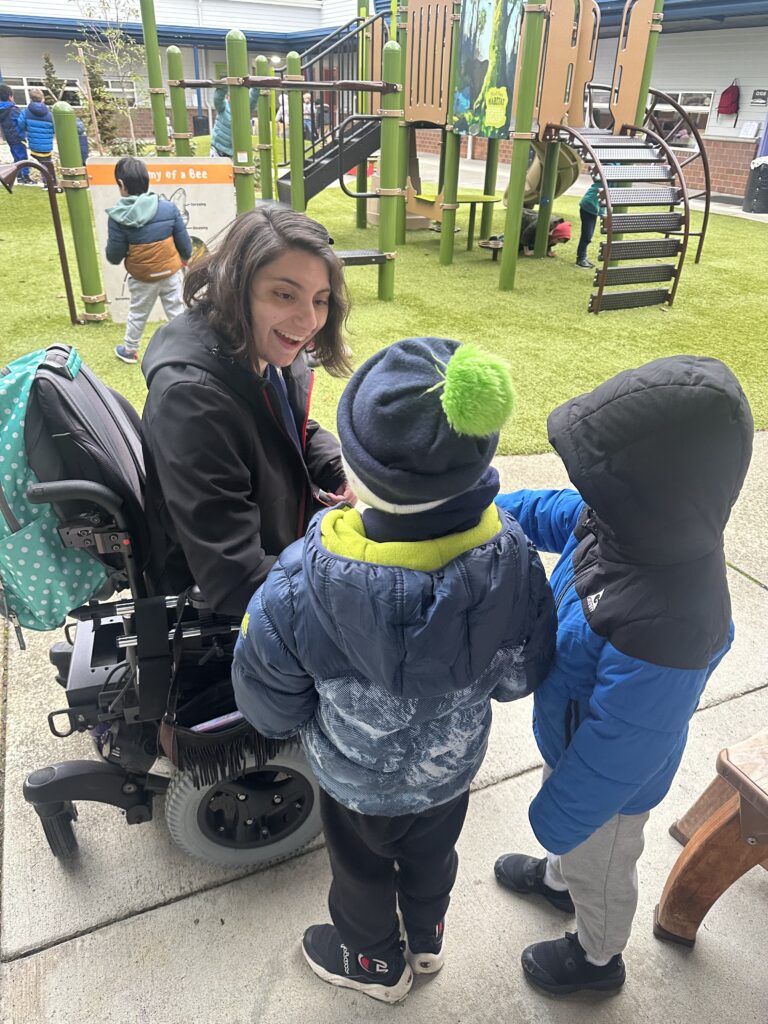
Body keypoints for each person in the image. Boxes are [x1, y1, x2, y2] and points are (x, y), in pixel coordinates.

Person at [232, 337, 557, 1004]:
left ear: (352, 470)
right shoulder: (516, 559)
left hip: (355, 782)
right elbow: (521, 676)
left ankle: (373, 963)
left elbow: (268, 704)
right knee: (435, 856)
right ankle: (428, 938)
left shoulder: (299, 582)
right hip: (449, 770)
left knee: (360, 874)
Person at [492, 355, 753, 997]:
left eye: (606, 486)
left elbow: (624, 745)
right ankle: (559, 884)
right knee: (572, 841)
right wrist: (478, 512)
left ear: (655, 489)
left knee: (600, 866)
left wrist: (560, 816)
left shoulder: (675, 619)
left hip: (610, 788)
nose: (591, 498)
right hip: (574, 740)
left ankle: (597, 957)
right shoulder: (625, 520)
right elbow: (552, 512)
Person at [141, 205, 354, 617]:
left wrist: (338, 468)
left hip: (288, 551)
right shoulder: (194, 405)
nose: (308, 320)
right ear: (236, 286)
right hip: (240, 618)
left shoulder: (262, 345)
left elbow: (291, 426)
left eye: (321, 300)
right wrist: (362, 581)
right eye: (284, 294)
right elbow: (236, 582)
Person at [105, 156, 192, 364]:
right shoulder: (168, 208)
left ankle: (129, 350)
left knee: (137, 312)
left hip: (142, 277)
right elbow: (185, 245)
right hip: (170, 272)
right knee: (177, 310)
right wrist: (183, 259)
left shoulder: (118, 217)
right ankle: (188, 347)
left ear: (121, 185)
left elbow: (114, 255)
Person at [16, 87, 55, 183]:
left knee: (43, 163)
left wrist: (28, 129)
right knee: (46, 162)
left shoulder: (26, 112)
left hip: (34, 144)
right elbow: (54, 127)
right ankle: (50, 182)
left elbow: (21, 123)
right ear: (43, 99)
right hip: (47, 145)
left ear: (30, 98)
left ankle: (48, 182)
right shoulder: (49, 114)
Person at [210, 86, 258, 158]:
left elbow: (253, 97)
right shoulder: (223, 107)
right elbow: (218, 99)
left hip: (235, 152)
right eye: (231, 96)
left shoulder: (244, 108)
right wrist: (224, 86)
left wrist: (256, 86)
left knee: (240, 166)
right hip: (218, 148)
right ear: (228, 97)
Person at [0, 83, 31, 183]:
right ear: (10, 97)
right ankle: (25, 177)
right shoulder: (13, 109)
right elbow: (21, 122)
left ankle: (17, 175)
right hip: (18, 136)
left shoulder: (1, 110)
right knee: (22, 157)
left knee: (16, 155)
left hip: (9, 137)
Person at [575, 180, 604, 269]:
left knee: (588, 235)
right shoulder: (607, 178)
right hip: (588, 207)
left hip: (593, 209)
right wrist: (603, 215)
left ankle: (582, 258)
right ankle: (581, 259)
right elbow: (603, 200)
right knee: (587, 235)